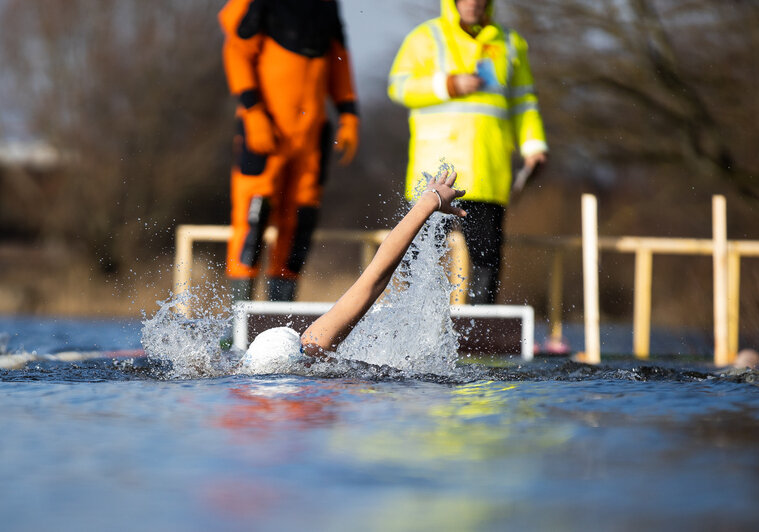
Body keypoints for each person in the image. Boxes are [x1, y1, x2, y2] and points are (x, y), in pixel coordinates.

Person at [387, 0, 548, 304]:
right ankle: (412, 325)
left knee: (486, 258)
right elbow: (398, 87)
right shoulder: (424, 37)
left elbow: (524, 103)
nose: (473, 2)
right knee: (419, 255)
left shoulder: (511, 43)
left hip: (487, 169)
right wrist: (447, 84)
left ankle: (479, 334)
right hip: (434, 171)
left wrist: (534, 146)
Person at [241, 170, 466, 371]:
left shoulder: (241, 377)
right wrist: (427, 203)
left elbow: (377, 276)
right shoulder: (313, 347)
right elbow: (376, 275)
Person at [218, 0, 359, 303]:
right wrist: (252, 111)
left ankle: (280, 317)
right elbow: (237, 52)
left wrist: (348, 112)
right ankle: (238, 318)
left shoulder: (328, 6)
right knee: (254, 217)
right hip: (267, 130)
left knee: (301, 223)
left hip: (310, 137)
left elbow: (339, 59)